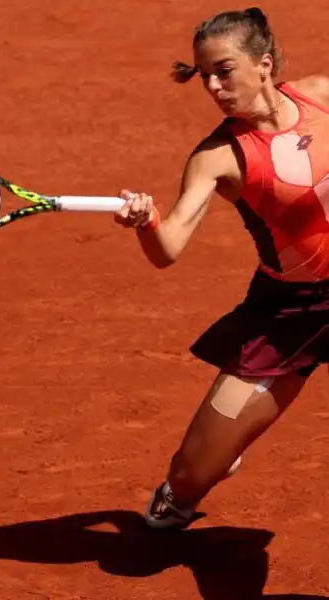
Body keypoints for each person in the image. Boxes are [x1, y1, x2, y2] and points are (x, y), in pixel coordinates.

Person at [114, 6, 329, 529]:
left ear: (264, 64)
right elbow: (168, 249)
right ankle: (190, 481)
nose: (211, 84)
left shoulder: (322, 95)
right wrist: (147, 221)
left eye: (223, 70)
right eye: (203, 75)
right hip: (288, 316)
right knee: (191, 475)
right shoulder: (219, 156)